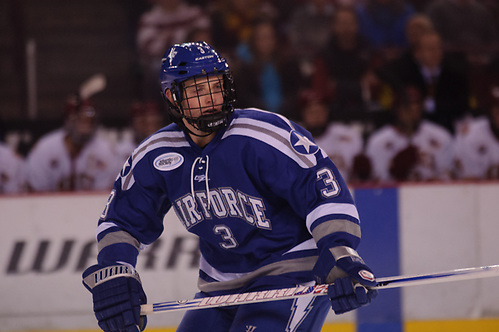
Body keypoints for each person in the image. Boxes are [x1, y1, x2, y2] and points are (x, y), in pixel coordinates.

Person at [82, 41, 377, 332]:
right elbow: (121, 220)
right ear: (173, 97)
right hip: (218, 286)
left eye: (215, 86)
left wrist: (339, 248)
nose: (212, 97)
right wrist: (116, 270)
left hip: (291, 273)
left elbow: (322, 189)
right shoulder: (156, 153)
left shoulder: (263, 135)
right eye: (198, 90)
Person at [25, 96, 119, 192]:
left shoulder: (105, 151)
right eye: (80, 120)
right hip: (50, 206)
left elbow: (105, 197)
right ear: (67, 120)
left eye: (89, 121)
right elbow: (35, 191)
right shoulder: (45, 148)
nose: (85, 127)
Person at [365, 86, 454, 182]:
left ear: (422, 107)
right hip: (394, 195)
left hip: (433, 194)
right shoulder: (378, 141)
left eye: (415, 104)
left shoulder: (441, 136)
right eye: (406, 105)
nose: (411, 110)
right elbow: (374, 185)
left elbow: (450, 179)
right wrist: (395, 170)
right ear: (396, 108)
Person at [299, 89, 364, 183]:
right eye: (312, 112)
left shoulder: (348, 135)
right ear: (303, 114)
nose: (316, 117)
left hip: (346, 192)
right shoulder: (294, 138)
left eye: (320, 111)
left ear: (327, 112)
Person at [454, 86, 499, 180]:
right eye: (496, 107)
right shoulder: (471, 133)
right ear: (489, 110)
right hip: (478, 193)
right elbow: (468, 181)